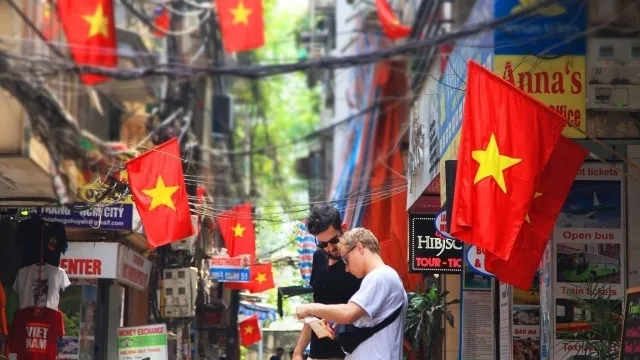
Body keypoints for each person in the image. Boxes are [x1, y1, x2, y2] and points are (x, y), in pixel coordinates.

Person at [295, 228, 407, 360]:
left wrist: (310, 308)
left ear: (359, 248)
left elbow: (348, 313)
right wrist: (336, 324)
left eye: (346, 260)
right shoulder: (383, 277)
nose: (347, 268)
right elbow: (363, 322)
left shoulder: (380, 277)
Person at [293, 205, 362, 360]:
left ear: (343, 228)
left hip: (349, 353)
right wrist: (298, 352)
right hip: (317, 354)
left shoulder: (359, 261)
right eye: (323, 244)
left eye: (334, 240)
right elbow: (314, 310)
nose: (330, 248)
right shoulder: (318, 257)